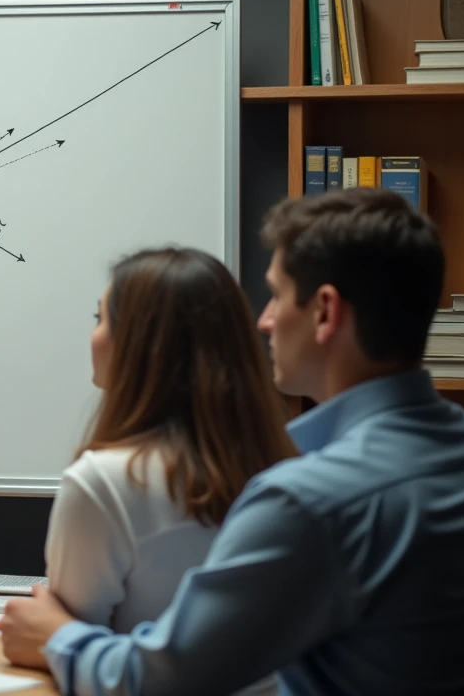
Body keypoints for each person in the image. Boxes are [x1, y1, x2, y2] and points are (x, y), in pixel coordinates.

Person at [0, 187, 464, 695]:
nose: (264, 321)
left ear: (325, 312)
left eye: (276, 293)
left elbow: (163, 682)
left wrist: (57, 636)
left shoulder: (311, 502)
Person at [27, 247, 295, 695]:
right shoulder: (291, 468)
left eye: (101, 319)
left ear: (138, 345)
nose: (93, 336)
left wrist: (42, 629)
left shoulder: (102, 483)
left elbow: (58, 643)